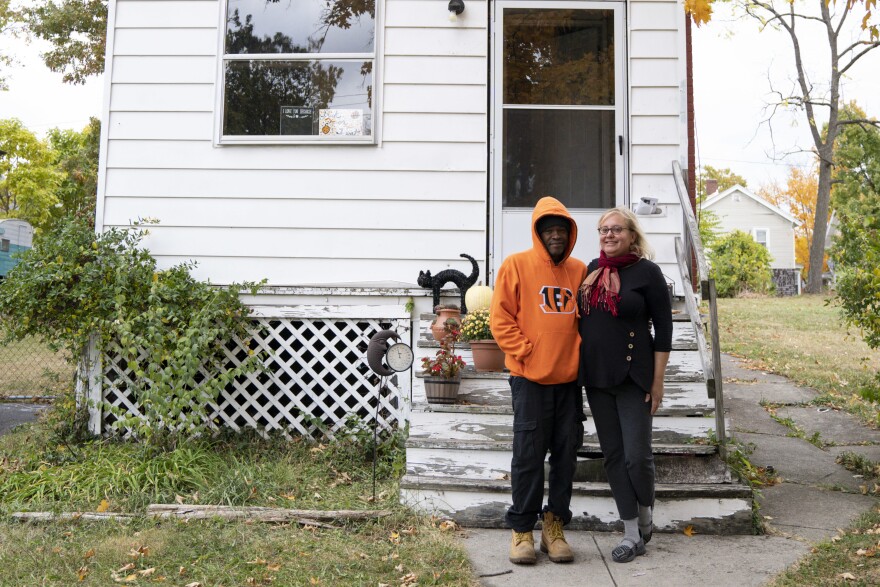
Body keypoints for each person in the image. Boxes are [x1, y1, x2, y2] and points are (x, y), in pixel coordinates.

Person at [490, 196, 588, 565]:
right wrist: (528, 352)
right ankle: (521, 530)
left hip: (568, 382)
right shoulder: (516, 265)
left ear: (570, 234)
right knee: (528, 457)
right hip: (529, 379)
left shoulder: (579, 271)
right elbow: (500, 319)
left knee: (565, 456)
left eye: (562, 230)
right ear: (538, 234)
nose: (556, 236)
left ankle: (554, 527)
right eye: (549, 230)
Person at [577, 207, 672, 563]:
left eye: (617, 229)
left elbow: (663, 329)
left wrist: (657, 381)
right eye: (603, 229)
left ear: (632, 235)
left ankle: (646, 514)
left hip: (635, 378)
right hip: (597, 378)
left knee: (637, 458)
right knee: (614, 456)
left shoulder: (647, 272)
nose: (609, 235)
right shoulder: (591, 271)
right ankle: (632, 533)